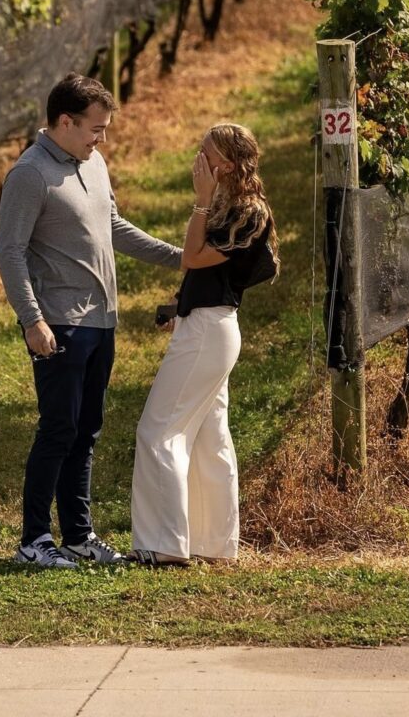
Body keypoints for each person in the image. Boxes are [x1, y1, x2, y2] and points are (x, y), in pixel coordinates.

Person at [0, 73, 183, 569]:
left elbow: (112, 227)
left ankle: (78, 535)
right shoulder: (30, 174)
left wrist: (179, 258)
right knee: (58, 429)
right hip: (59, 324)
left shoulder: (93, 163)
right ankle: (34, 541)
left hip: (101, 322)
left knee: (87, 430)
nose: (101, 138)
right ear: (64, 121)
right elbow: (10, 253)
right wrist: (32, 320)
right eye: (94, 129)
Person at [130, 122, 279, 567]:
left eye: (206, 154)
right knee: (209, 438)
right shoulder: (231, 205)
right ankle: (213, 544)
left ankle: (161, 545)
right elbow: (203, 273)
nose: (199, 161)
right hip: (206, 325)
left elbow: (192, 257)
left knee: (158, 432)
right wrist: (180, 304)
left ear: (228, 165)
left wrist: (198, 202)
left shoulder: (247, 211)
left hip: (209, 332)